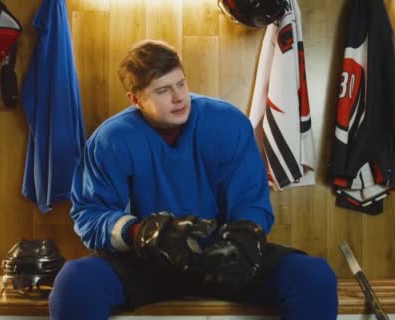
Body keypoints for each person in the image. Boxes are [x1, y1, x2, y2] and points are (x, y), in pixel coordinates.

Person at [48, 39, 338, 320]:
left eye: (181, 84)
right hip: (152, 262)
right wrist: (142, 232)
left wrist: (243, 243)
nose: (178, 97)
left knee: (313, 277)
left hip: (224, 258)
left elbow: (252, 202)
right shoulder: (110, 140)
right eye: (162, 90)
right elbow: (90, 215)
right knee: (76, 281)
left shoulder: (228, 123)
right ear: (135, 99)